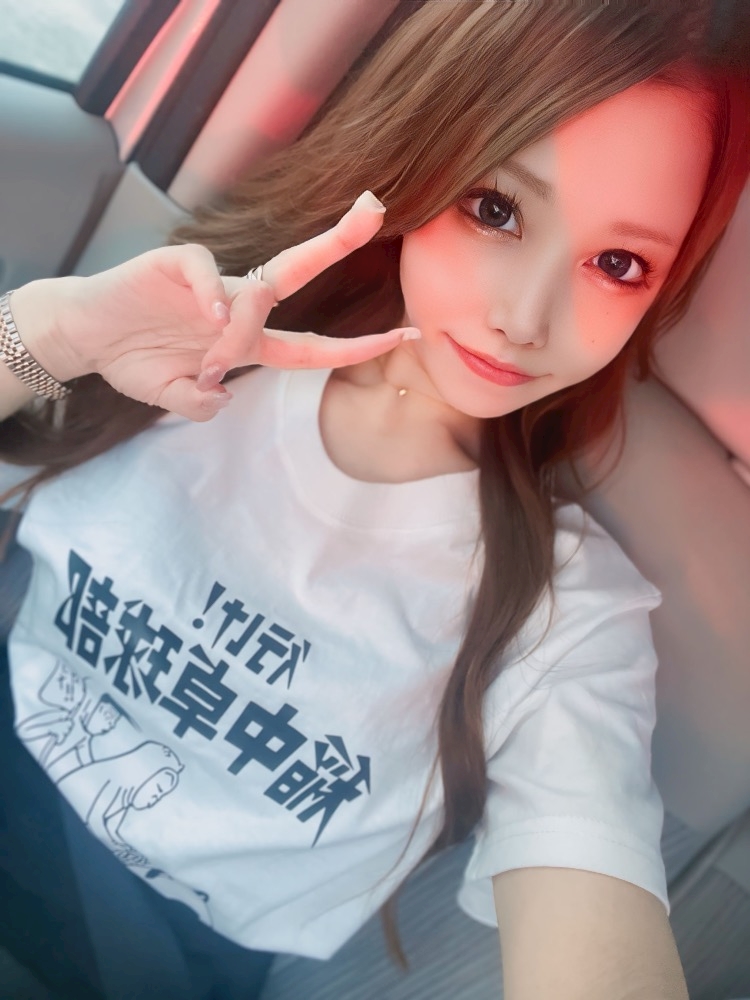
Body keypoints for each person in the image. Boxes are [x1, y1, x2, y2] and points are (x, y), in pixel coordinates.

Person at [0, 2, 748, 998]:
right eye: (497, 209)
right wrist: (56, 334)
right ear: (419, 158)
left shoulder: (565, 616)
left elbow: (589, 896)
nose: (525, 318)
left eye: (619, 265)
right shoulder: (193, 340)